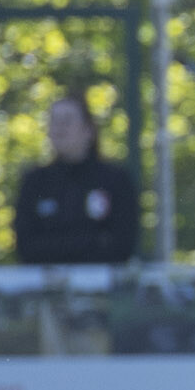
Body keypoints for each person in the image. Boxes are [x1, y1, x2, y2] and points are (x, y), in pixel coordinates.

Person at [14, 94, 138, 264]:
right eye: (54, 121)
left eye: (67, 121)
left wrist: (57, 246)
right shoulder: (35, 182)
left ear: (89, 130)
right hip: (45, 280)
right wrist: (90, 242)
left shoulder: (115, 180)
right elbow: (26, 247)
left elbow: (121, 245)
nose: (59, 128)